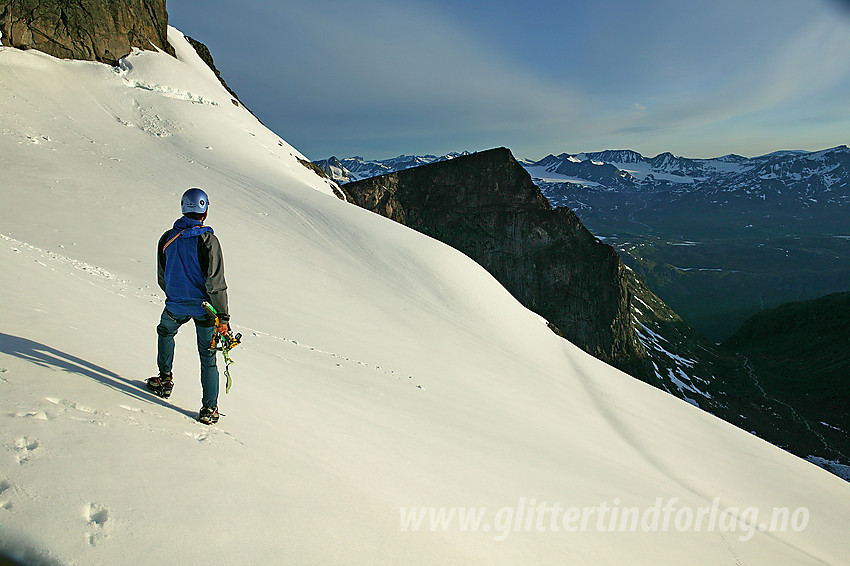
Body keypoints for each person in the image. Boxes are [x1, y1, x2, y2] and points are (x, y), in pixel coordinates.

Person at [147, 188, 230, 424]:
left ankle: (164, 380)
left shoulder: (167, 237)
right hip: (205, 309)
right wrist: (223, 317)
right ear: (204, 210)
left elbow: (162, 276)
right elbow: (216, 283)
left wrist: (176, 295)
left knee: (165, 332)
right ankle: (209, 409)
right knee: (208, 356)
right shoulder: (208, 240)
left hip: (175, 304)